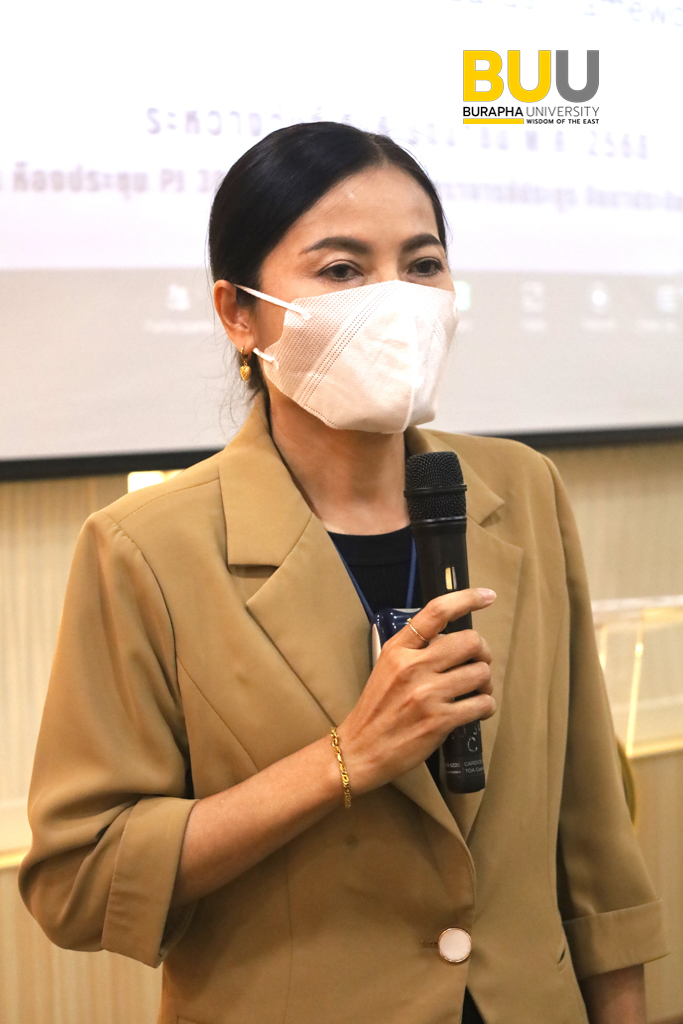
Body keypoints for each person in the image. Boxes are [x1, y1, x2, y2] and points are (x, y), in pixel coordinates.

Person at [20, 123, 666, 1024]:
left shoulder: (520, 490)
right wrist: (345, 758)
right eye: (341, 270)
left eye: (422, 264)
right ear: (237, 313)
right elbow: (80, 881)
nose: (396, 300)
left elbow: (590, 833)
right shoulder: (144, 548)